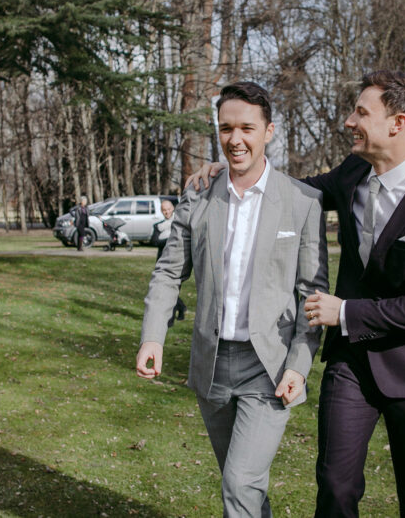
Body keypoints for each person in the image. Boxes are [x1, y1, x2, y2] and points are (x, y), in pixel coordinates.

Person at [191, 70, 405, 517]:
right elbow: (288, 194)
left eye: (361, 112)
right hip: (351, 364)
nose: (348, 121)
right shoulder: (353, 173)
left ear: (397, 123)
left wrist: (347, 312)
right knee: (336, 487)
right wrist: (232, 170)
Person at [136, 82, 329, 517]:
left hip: (270, 367)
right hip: (213, 363)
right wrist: (153, 337)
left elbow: (310, 295)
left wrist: (299, 364)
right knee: (241, 485)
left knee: (240, 483)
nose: (235, 140)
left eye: (246, 128)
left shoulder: (302, 202)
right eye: (226, 129)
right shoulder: (200, 193)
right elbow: (169, 271)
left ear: (269, 131)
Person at [153, 199, 187, 327]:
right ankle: (181, 307)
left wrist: (166, 239)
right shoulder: (158, 226)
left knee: (170, 290)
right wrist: (168, 239)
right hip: (161, 261)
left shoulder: (178, 223)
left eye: (168, 209)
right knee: (164, 289)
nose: (167, 212)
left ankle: (170, 319)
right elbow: (155, 241)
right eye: (164, 210)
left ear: (173, 208)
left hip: (176, 261)